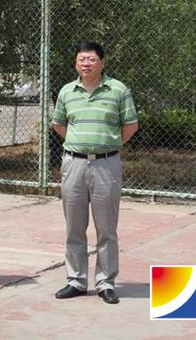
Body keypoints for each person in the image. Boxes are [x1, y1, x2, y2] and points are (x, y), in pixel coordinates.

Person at [51, 42, 139, 305]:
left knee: (106, 228)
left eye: (91, 59)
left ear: (102, 63)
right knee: (74, 227)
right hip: (73, 165)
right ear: (76, 63)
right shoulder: (67, 91)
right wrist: (80, 143)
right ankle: (76, 280)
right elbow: (59, 124)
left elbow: (130, 125)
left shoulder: (118, 90)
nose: (85, 64)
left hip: (106, 165)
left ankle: (106, 282)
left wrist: (107, 144)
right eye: (81, 59)